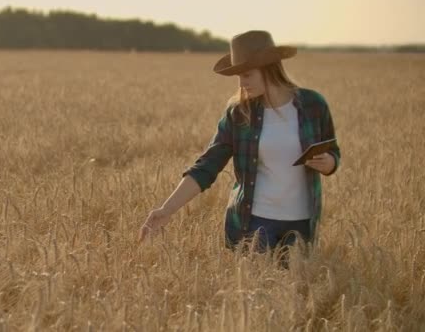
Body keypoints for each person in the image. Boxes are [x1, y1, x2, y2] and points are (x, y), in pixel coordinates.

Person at [138, 30, 341, 267]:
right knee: (256, 294)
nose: (241, 83)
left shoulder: (313, 105)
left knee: (295, 296)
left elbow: (332, 150)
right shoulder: (239, 114)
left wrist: (330, 163)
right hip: (255, 222)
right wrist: (166, 209)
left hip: (301, 223)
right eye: (238, 76)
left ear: (268, 67)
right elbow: (207, 166)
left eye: (247, 74)